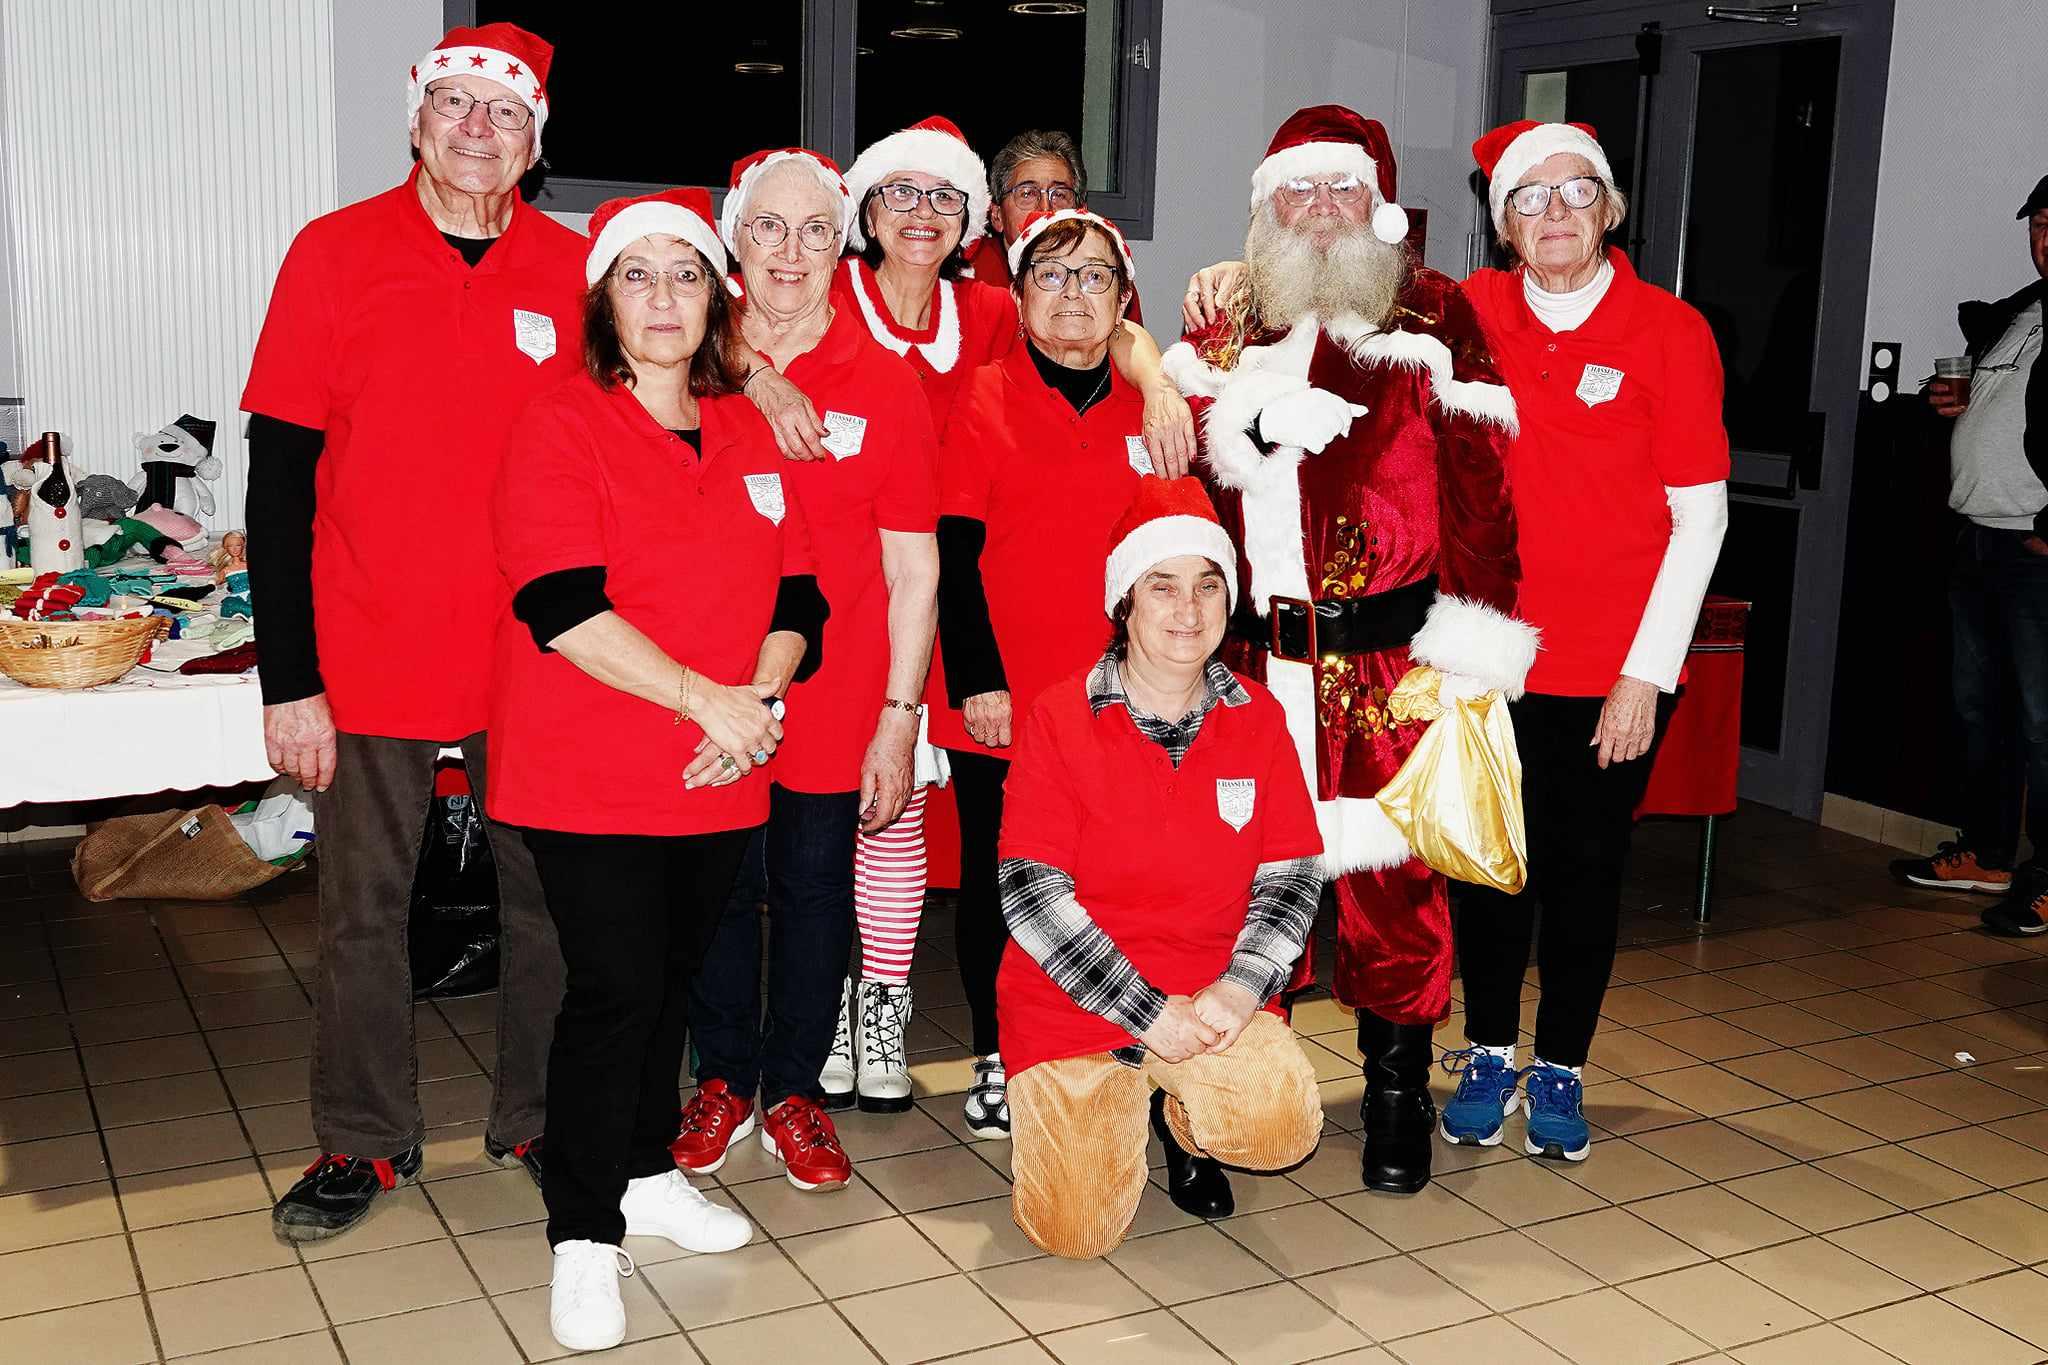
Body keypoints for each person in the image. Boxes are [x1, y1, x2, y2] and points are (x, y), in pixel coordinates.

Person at [242, 22, 575, 1241]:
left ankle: (538, 1118)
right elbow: (277, 480)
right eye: (454, 107)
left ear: (535, 140)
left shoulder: (574, 267)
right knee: (361, 916)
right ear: (416, 121)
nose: (477, 131)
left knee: (552, 908)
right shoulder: (334, 255)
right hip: (370, 648)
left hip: (542, 661)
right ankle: (364, 1142)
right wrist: (291, 677)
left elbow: (663, 396)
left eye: (505, 114)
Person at [1160, 106, 1530, 1196]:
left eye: (1338, 191)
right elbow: (1177, 485)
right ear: (1266, 206)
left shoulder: (1436, 312)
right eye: (1297, 193)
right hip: (1248, 663)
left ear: (1373, 202)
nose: (1318, 213)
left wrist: (1470, 654)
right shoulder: (1226, 317)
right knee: (1233, 892)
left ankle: (1394, 1092)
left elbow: (1482, 495)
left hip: (1389, 667)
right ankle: (1224, 1101)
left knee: (1393, 896)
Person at [488, 189, 824, 1352]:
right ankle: (582, 1236)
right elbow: (559, 605)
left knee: (673, 984)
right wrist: (709, 699)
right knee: (614, 991)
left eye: (686, 275)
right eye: (639, 277)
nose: (665, 298)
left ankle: (639, 1174)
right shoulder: (559, 423)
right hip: (589, 766)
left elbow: (800, 597)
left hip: (719, 763)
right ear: (602, 302)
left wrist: (754, 705)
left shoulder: (746, 429)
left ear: (717, 297)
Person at [1425, 120, 1728, 1164]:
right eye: (1527, 197)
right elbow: (1348, 313)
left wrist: (1644, 673)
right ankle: (1489, 1051)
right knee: (1488, 872)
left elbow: (1700, 518)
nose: (1551, 214)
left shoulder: (1669, 332)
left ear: (1608, 208)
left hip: (1612, 666)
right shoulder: (1467, 315)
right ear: (1501, 222)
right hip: (1487, 656)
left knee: (1584, 868)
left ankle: (1558, 1067)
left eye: (1573, 193)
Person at [673, 147, 939, 1193]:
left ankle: (790, 1089)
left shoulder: (885, 384)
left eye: (816, 230)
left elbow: (914, 569)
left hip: (840, 692)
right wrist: (756, 367)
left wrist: (898, 716)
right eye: (768, 228)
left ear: (847, 244)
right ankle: (723, 1077)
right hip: (711, 679)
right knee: (720, 891)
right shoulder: (690, 352)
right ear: (733, 237)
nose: (790, 251)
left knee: (817, 889)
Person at [1000, 476, 1325, 1258]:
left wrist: (1242, 985)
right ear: (1126, 601)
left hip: (1213, 1001)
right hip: (1077, 1005)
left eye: (1208, 586)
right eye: (1164, 586)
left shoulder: (1259, 715)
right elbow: (1031, 893)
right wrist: (1148, 1013)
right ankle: (1122, 1087)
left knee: (1282, 1123)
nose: (1189, 610)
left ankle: (1184, 1120)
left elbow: (1292, 872)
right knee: (1071, 1233)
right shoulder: (1056, 716)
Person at [933, 207, 1159, 1148]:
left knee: (1111, 880)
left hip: (1121, 695)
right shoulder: (980, 395)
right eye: (1052, 276)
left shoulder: (1153, 406)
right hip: (1006, 692)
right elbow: (954, 548)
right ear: (1019, 297)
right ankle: (999, 1049)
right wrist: (978, 677)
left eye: (1095, 277)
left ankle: (1103, 1040)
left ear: (1122, 300)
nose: (1074, 295)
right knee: (1004, 882)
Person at [1892, 173, 2048, 937]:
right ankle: (1990, 851)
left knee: (2044, 722)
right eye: (2040, 223)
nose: (2045, 238)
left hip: (2035, 544)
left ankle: (2047, 877)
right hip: (1979, 535)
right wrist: (1958, 402)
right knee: (1979, 708)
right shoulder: (2024, 314)